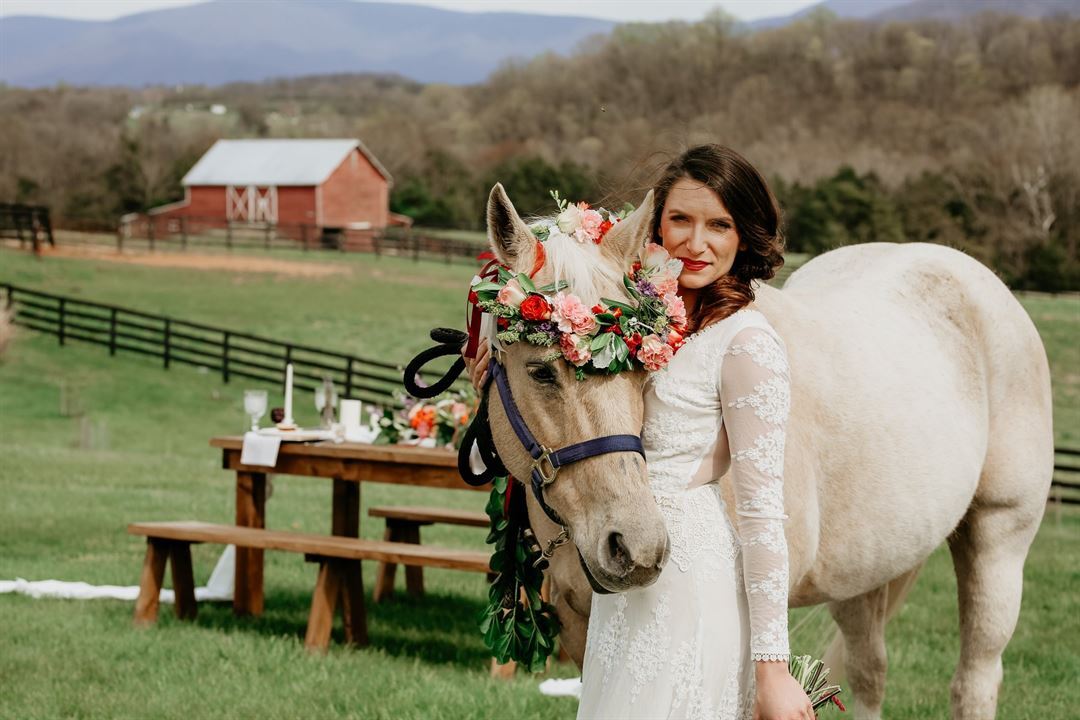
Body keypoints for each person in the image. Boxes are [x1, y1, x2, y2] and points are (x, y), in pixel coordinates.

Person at [468, 145, 813, 720]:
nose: (695, 243)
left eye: (719, 225)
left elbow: (761, 514)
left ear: (745, 237)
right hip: (625, 568)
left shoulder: (747, 345)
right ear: (656, 226)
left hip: (690, 570)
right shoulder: (637, 326)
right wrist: (492, 366)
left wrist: (773, 671)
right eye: (680, 220)